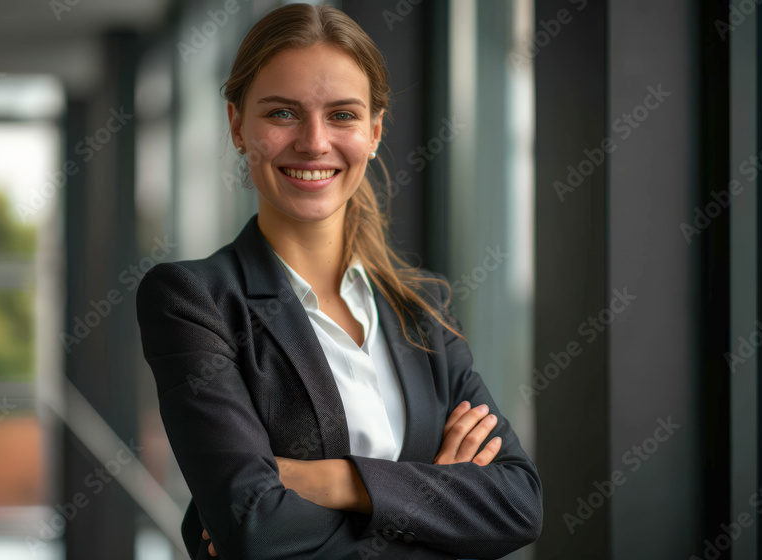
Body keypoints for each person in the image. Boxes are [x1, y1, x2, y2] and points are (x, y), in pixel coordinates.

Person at [135, 4, 542, 559]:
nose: (314, 142)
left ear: (374, 132)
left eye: (343, 116)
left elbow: (518, 504)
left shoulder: (421, 305)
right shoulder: (194, 300)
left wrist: (327, 481)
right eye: (282, 113)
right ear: (237, 126)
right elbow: (255, 529)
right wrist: (434, 501)